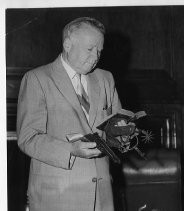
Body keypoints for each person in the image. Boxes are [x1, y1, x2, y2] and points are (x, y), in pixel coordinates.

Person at [17, 17, 123, 211]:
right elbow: (27, 138)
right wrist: (71, 150)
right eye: (90, 49)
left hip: (102, 195)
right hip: (57, 195)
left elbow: (115, 128)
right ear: (67, 44)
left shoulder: (106, 78)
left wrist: (124, 135)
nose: (96, 56)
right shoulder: (37, 79)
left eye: (99, 51)